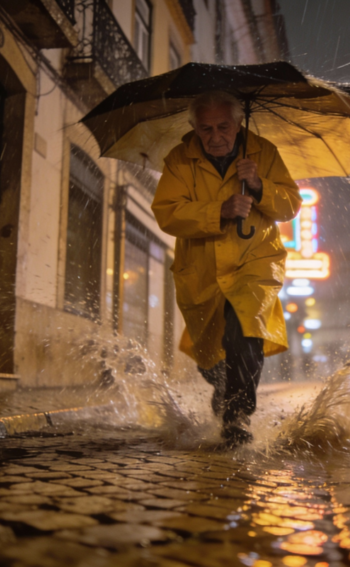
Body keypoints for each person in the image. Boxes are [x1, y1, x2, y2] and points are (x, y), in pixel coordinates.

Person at [151, 91, 302, 445]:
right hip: (201, 269)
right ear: (193, 127)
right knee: (210, 355)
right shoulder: (178, 159)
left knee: (245, 332)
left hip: (255, 261)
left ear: (237, 124)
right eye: (205, 129)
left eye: (223, 127)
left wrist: (261, 185)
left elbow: (290, 205)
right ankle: (224, 388)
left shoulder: (263, 153)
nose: (215, 137)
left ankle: (237, 415)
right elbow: (166, 212)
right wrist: (219, 210)